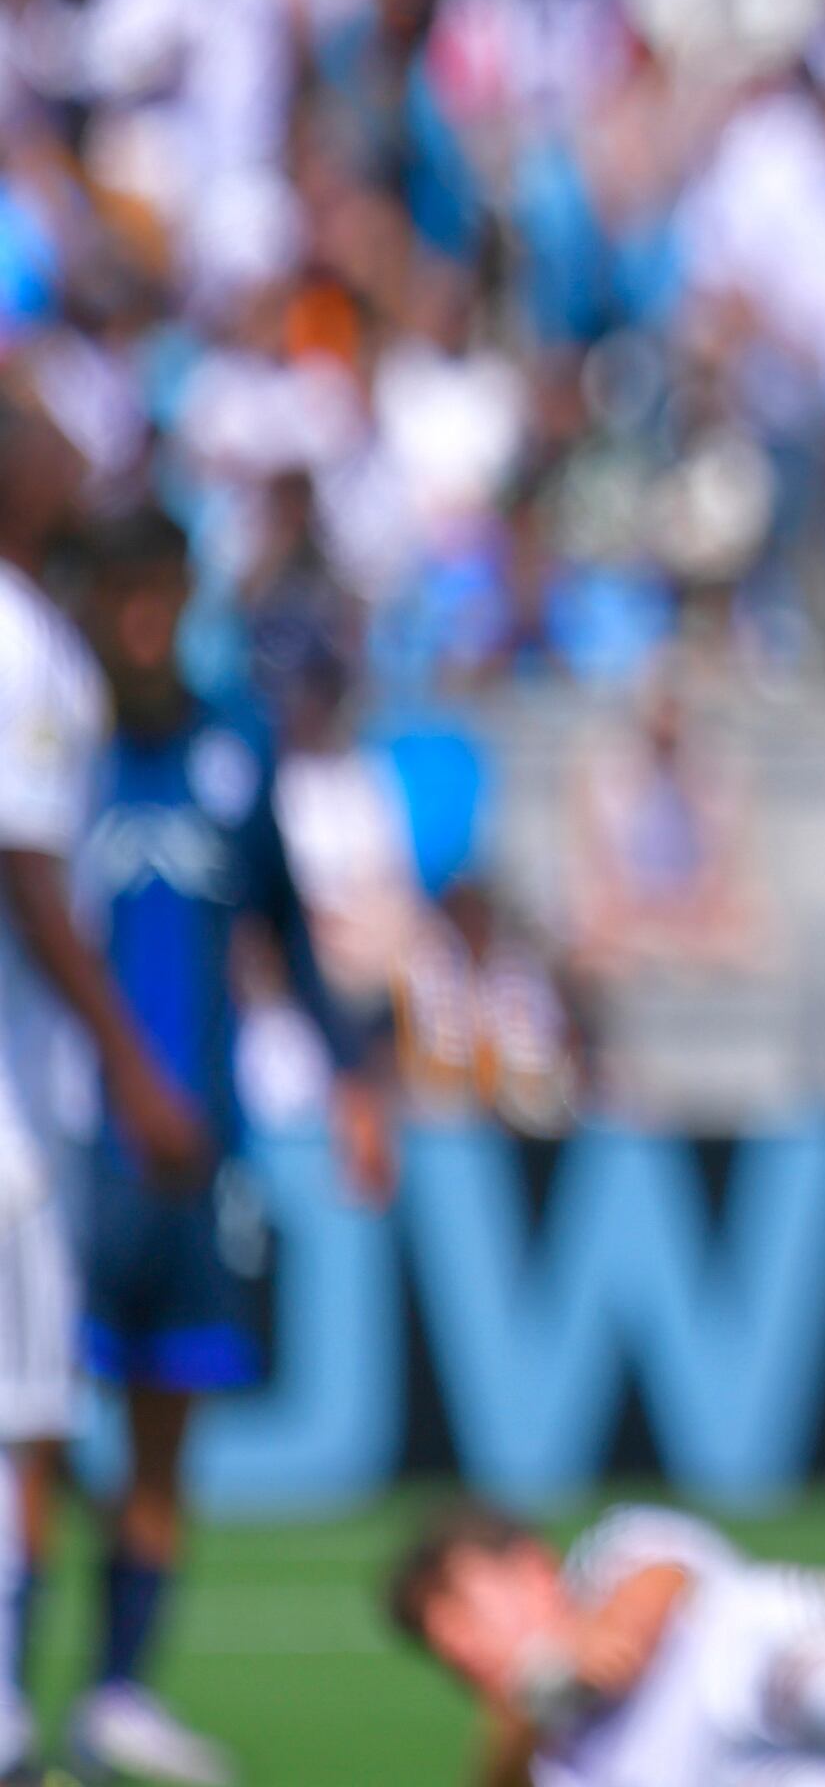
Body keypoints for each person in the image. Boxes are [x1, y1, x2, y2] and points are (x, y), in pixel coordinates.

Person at [61, 509, 396, 1786]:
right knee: (31, 1427)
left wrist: (355, 1076)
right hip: (59, 1139)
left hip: (200, 1148)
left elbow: (285, 929)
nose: (143, 620)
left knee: (163, 1426)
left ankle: (117, 1694)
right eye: (123, 596)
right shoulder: (51, 739)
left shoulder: (228, 747)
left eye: (163, 595)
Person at [0, 399, 205, 1787]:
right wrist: (136, 1063)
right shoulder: (21, 643)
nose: (79, 454)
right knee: (21, 1403)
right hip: (7, 1102)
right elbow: (22, 869)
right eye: (49, 437)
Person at [384, 1499, 825, 1787]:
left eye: (457, 1605)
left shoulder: (614, 1552)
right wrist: (526, 1719)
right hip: (785, 1767)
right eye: (432, 1636)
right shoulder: (557, 1766)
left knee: (811, 1680)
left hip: (802, 1656)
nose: (451, 1642)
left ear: (531, 1566)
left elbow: (647, 1600)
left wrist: (564, 1667)